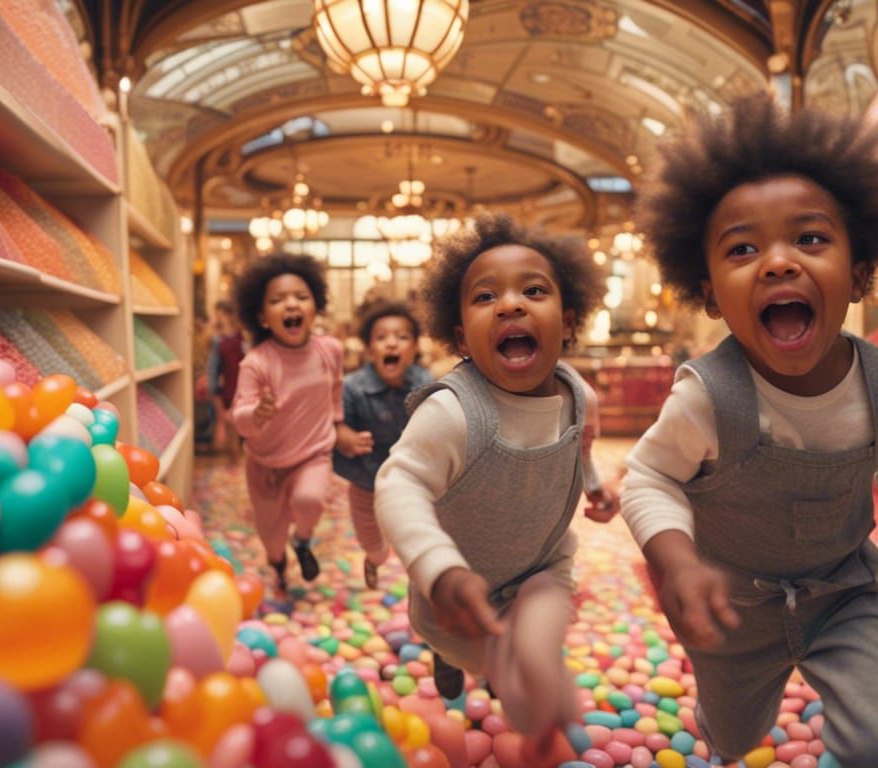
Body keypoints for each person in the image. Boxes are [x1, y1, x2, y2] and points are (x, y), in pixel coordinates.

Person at [619, 96, 878, 766]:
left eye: (810, 239)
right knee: (732, 737)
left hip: (847, 592)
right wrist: (676, 562)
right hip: (731, 609)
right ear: (708, 291)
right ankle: (722, 715)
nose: (778, 262)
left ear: (861, 271)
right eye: (743, 248)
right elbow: (648, 475)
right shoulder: (708, 397)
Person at [375, 213, 616, 756]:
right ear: (461, 337)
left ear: (569, 320)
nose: (511, 304)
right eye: (486, 297)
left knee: (531, 662)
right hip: (458, 591)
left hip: (542, 566)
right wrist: (439, 569)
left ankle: (536, 727)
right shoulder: (454, 412)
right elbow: (398, 483)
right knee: (484, 654)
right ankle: (456, 659)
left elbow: (578, 448)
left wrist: (596, 484)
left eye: (533, 290)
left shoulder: (581, 395)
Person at [230, 253, 343, 594]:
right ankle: (279, 564)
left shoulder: (331, 350)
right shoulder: (256, 363)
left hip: (313, 454)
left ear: (315, 307)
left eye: (301, 297)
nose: (291, 305)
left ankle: (304, 542)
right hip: (265, 465)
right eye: (277, 301)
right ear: (263, 318)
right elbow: (240, 418)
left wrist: (339, 425)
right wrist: (256, 414)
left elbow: (336, 390)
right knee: (272, 538)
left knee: (309, 500)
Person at [333, 299, 432, 590]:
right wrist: (345, 436)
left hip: (410, 479)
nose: (392, 344)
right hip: (366, 478)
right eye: (381, 338)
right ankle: (373, 559)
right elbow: (336, 422)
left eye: (402, 338)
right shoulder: (353, 386)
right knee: (374, 544)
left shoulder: (424, 382)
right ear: (369, 349)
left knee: (416, 536)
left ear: (414, 349)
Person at [207, 299, 245, 458]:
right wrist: (213, 388)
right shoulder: (217, 340)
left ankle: (236, 454)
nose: (218, 317)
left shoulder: (241, 337)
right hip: (229, 386)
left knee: (237, 423)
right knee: (230, 424)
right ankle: (234, 455)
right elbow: (213, 369)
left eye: (220, 314)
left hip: (241, 384)